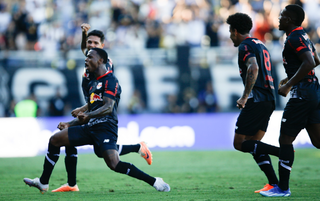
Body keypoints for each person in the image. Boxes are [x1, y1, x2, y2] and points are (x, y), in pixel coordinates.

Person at [23, 48, 170, 193]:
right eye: (86, 57)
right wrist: (70, 124)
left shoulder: (111, 80)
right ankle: (43, 182)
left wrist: (88, 115)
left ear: (100, 61)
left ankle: (154, 181)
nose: (86, 59)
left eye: (90, 57)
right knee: (54, 140)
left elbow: (108, 107)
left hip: (106, 128)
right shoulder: (93, 84)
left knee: (114, 164)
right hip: (90, 128)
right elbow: (90, 111)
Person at [50, 24, 152, 192]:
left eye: (95, 44)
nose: (91, 46)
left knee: (103, 152)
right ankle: (137, 147)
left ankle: (71, 183)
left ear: (102, 49)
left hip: (101, 109)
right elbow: (84, 48)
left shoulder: (105, 65)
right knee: (99, 149)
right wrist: (84, 34)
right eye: (90, 43)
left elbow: (103, 94)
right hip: (92, 106)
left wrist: (85, 109)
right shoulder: (91, 57)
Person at [260, 4, 320, 197]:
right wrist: (292, 77)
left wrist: (288, 85)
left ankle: (282, 189)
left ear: (291, 20)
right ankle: (282, 188)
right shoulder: (302, 35)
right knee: (318, 141)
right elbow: (315, 60)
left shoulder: (294, 37)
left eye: (283, 16)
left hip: (302, 93)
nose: (279, 18)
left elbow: (310, 62)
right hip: (313, 90)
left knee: (285, 139)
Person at [226, 13, 281, 193]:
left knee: (240, 143)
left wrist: (244, 96)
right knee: (254, 144)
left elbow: (254, 67)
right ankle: (274, 183)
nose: (229, 36)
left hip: (256, 99)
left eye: (230, 31)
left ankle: (282, 153)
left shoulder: (245, 46)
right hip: (269, 99)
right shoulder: (261, 44)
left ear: (235, 31)